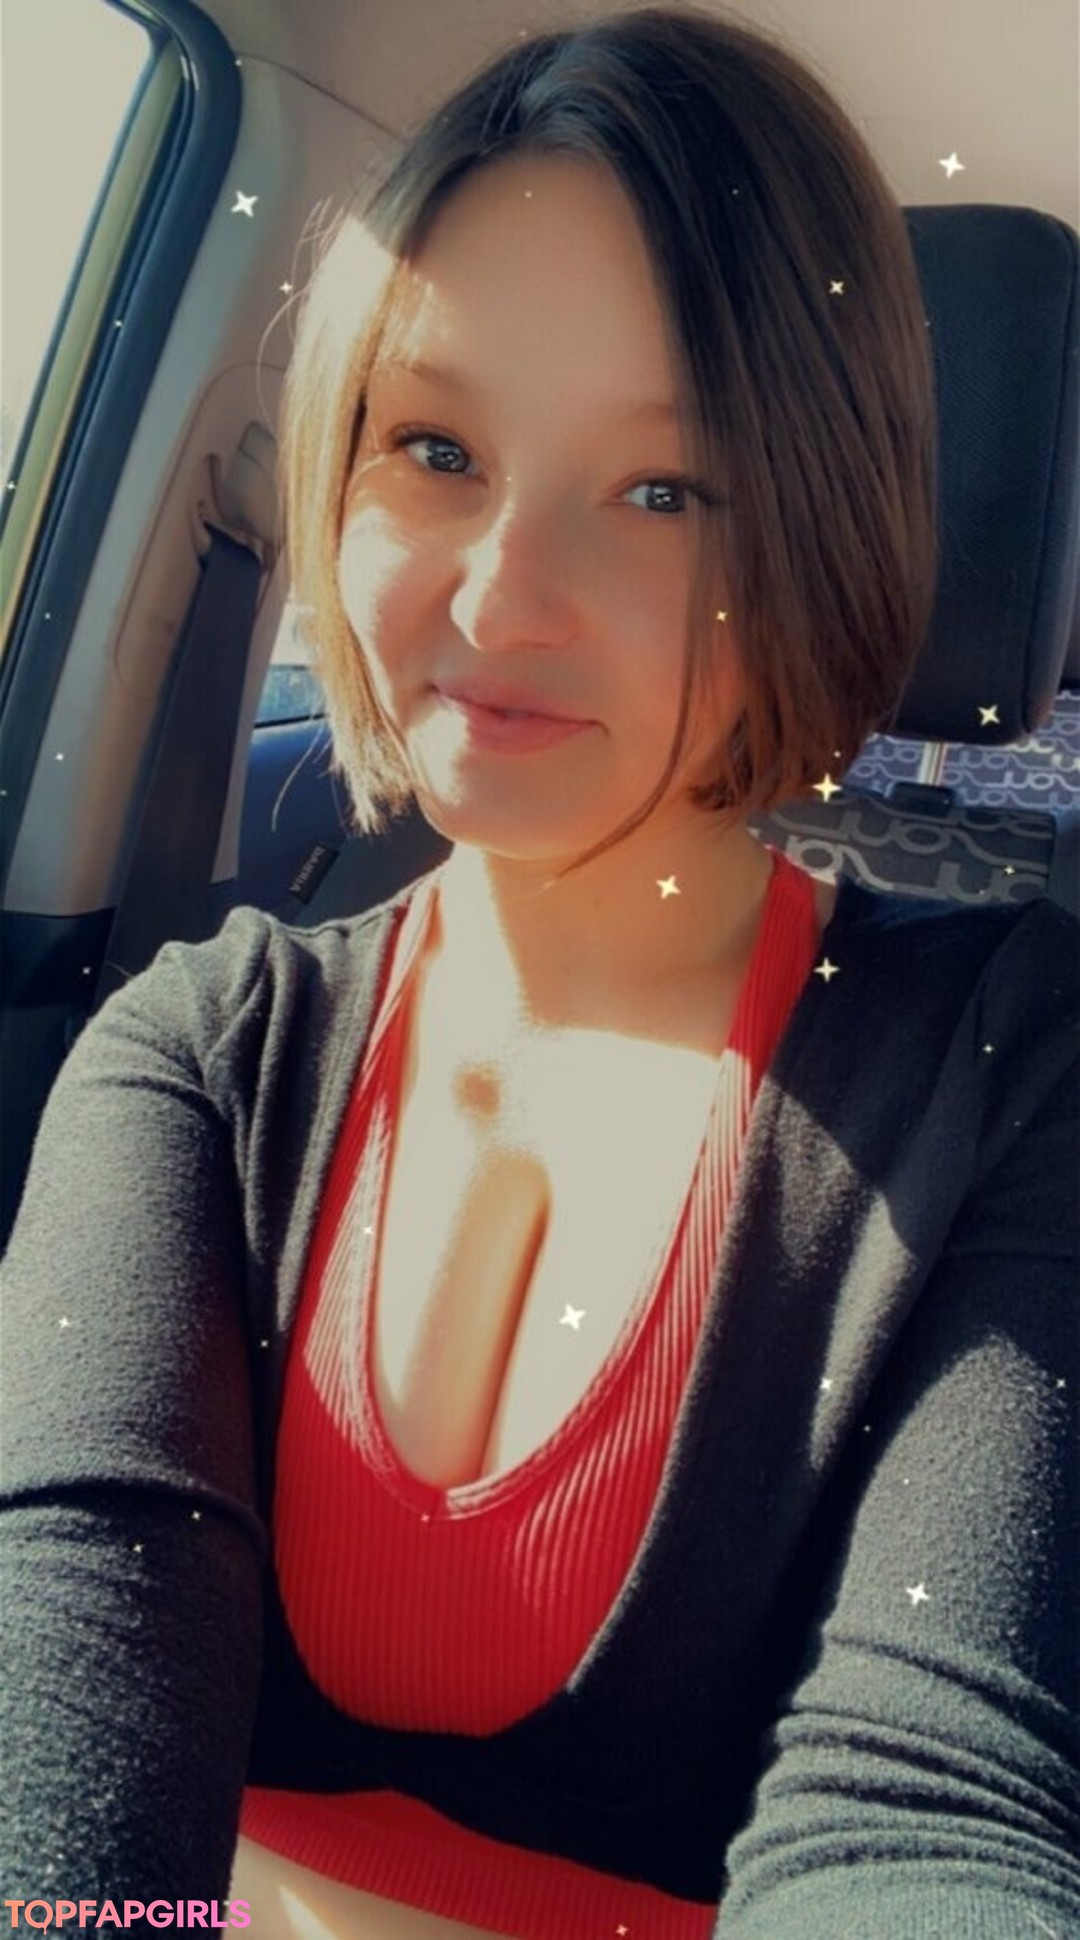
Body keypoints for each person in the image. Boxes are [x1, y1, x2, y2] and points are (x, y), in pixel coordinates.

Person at [2, 6, 1077, 1937]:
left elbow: (935, 1809)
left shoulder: (1016, 1072)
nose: (499, 598)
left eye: (666, 491)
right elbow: (68, 1679)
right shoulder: (198, 1053)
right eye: (436, 447)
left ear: (821, 527)